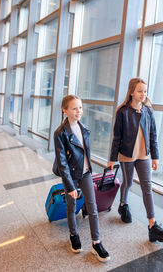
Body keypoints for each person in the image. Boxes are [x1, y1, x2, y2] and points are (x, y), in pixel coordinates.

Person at [108, 78, 163, 243]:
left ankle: (152, 225)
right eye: (140, 91)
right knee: (128, 183)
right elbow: (117, 138)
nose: (143, 94)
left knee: (147, 187)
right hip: (127, 155)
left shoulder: (148, 111)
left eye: (145, 90)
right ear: (131, 93)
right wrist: (112, 159)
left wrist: (155, 156)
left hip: (144, 155)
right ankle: (123, 205)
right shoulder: (122, 112)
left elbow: (153, 135)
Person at [53, 95, 110, 262]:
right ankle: (73, 235)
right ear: (65, 110)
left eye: (80, 108)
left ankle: (96, 243)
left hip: (85, 173)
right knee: (71, 207)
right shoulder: (60, 133)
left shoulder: (84, 128)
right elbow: (62, 163)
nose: (79, 111)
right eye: (74, 108)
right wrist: (70, 187)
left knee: (92, 208)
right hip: (71, 176)